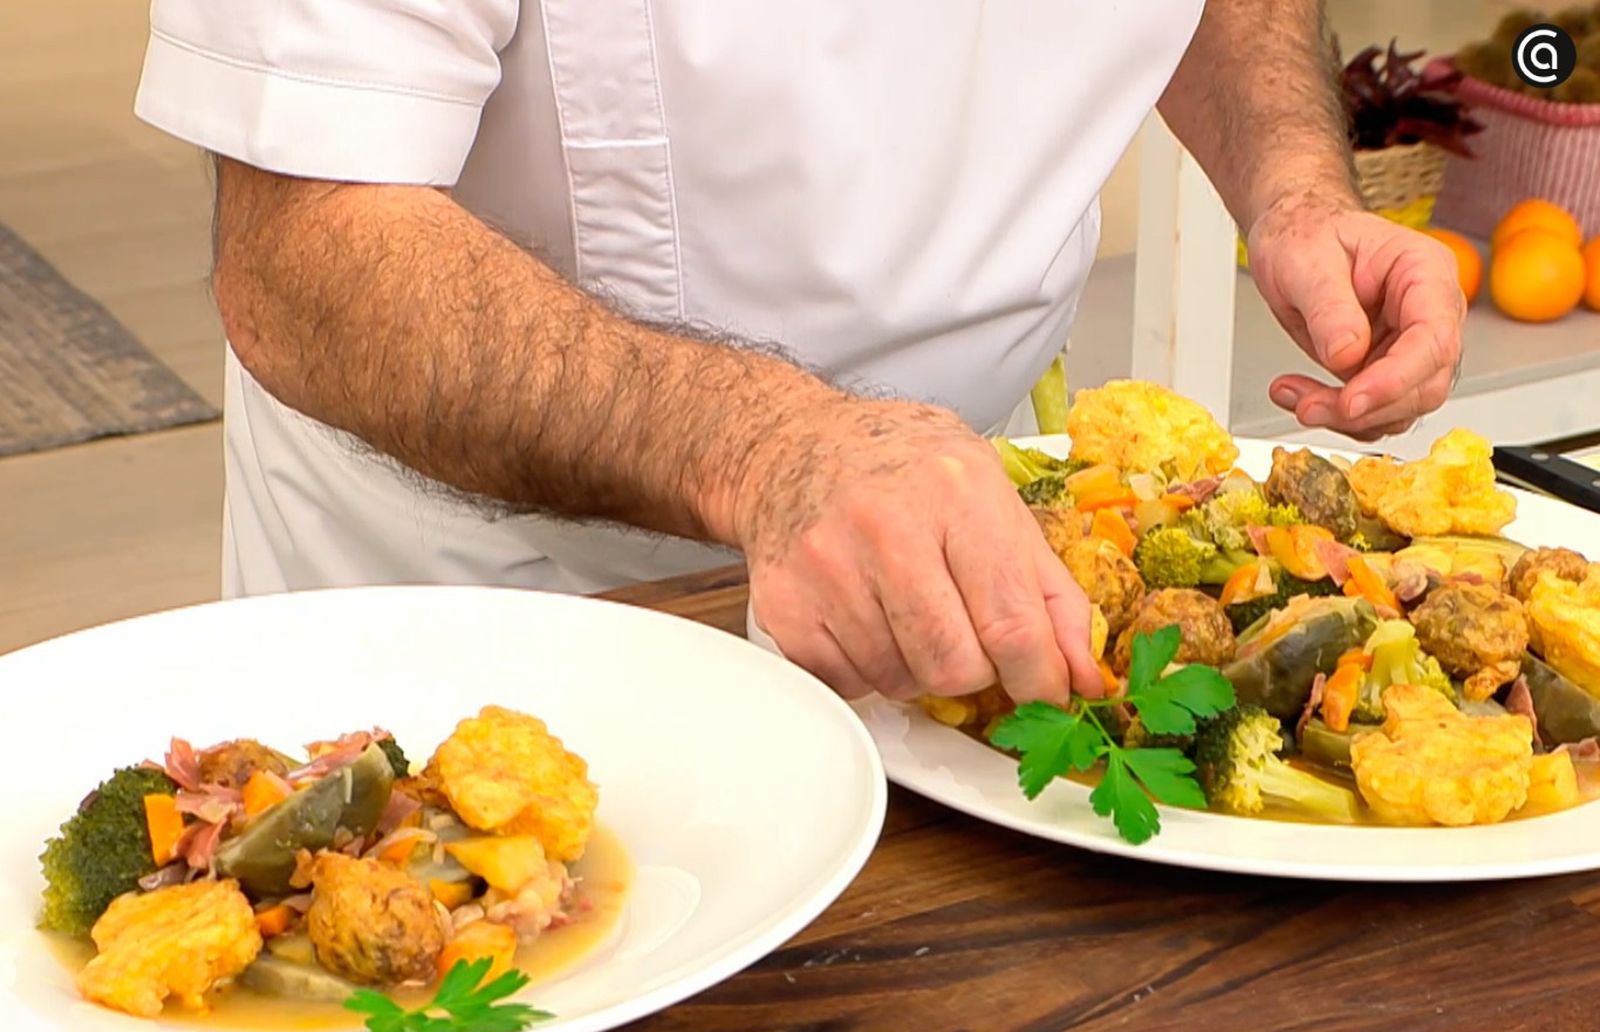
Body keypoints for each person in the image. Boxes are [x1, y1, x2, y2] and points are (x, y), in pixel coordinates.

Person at [134, 1, 1465, 709]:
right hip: (496, 574)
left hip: (980, 560)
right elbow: (306, 257)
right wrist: (770, 448)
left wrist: (1293, 182)